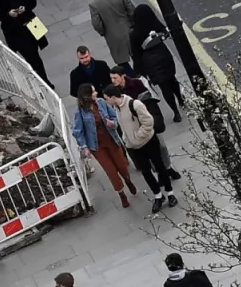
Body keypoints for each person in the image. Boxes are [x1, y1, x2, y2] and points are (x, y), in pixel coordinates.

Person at [101, 86, 176, 214]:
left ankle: (170, 193)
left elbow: (148, 121)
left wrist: (138, 136)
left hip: (149, 142)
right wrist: (128, 140)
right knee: (146, 172)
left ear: (113, 97)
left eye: (107, 98)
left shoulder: (134, 104)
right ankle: (158, 195)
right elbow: (123, 127)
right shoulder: (116, 108)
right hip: (134, 147)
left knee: (159, 167)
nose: (106, 101)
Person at [72, 83, 136, 208]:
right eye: (93, 92)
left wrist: (113, 123)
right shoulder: (80, 112)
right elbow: (78, 132)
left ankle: (127, 180)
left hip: (111, 140)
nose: (96, 93)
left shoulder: (101, 102)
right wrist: (84, 147)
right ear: (87, 96)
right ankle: (121, 193)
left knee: (121, 165)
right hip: (97, 146)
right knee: (111, 171)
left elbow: (114, 115)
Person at [111, 65, 181, 181]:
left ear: (123, 76)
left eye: (115, 78)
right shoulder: (115, 91)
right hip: (134, 124)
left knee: (162, 146)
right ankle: (160, 172)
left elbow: (147, 99)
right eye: (111, 78)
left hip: (146, 118)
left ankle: (168, 167)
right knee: (149, 151)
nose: (113, 81)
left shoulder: (136, 84)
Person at [0, 0, 47, 83]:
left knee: (35, 54)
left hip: (30, 24)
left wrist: (24, 8)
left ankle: (43, 79)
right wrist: (8, 14)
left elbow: (32, 2)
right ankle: (42, 80)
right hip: (14, 32)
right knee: (30, 55)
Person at [129, 5, 183, 122]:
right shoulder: (154, 24)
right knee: (172, 79)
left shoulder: (134, 33)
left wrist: (139, 71)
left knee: (165, 87)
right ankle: (181, 99)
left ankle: (176, 112)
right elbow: (165, 32)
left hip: (150, 62)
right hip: (163, 54)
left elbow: (136, 54)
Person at [87, 0, 137, 66]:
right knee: (138, 57)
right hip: (129, 31)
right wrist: (132, 23)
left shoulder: (94, 4)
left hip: (113, 37)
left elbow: (97, 24)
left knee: (123, 64)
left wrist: (104, 32)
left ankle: (134, 78)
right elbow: (132, 12)